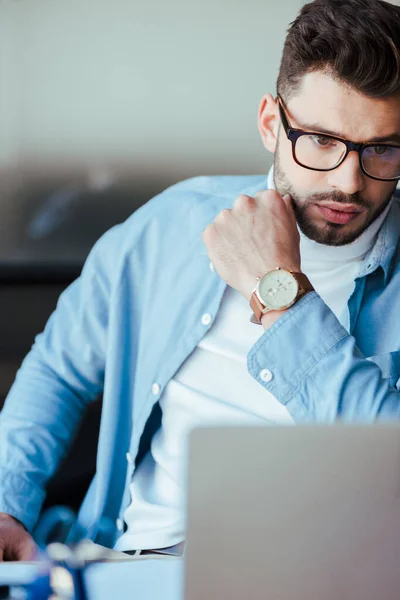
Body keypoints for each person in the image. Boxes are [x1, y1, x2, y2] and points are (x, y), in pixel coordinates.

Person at [1, 0, 400, 562]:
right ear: (271, 123)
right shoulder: (169, 225)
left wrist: (278, 288)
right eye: (321, 141)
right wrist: (6, 502)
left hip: (326, 577)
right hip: (132, 562)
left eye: (382, 148)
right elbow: (59, 369)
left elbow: (388, 471)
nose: (349, 182)